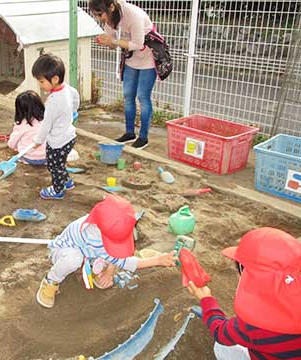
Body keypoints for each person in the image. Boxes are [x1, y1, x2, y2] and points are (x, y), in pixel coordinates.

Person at [36, 195, 176, 308]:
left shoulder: (103, 226)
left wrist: (109, 272)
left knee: (102, 258)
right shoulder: (92, 236)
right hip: (63, 253)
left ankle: (94, 268)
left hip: (90, 254)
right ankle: (50, 280)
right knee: (73, 260)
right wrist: (156, 261)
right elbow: (123, 261)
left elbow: (116, 255)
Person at [187, 227, 301, 359]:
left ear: (245, 272)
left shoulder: (251, 326)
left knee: (223, 348)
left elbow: (220, 333)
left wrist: (206, 299)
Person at [89, 0, 156, 149]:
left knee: (143, 97)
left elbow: (139, 44)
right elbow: (114, 44)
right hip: (131, 58)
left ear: (111, 7)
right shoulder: (110, 17)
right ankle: (129, 133)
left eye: (100, 14)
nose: (99, 18)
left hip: (148, 57)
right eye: (95, 15)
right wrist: (106, 42)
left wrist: (113, 40)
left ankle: (143, 137)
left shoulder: (133, 15)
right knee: (128, 95)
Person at [31, 54, 80, 200]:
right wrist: (73, 112)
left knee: (54, 166)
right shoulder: (68, 89)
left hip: (57, 142)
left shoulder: (53, 101)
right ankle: (67, 181)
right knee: (61, 163)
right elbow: (76, 98)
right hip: (70, 137)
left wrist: (38, 140)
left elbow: (46, 125)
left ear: (55, 79)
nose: (40, 85)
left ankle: (58, 190)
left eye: (41, 81)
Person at [7, 90, 47, 166]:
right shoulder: (47, 120)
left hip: (29, 158)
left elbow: (11, 144)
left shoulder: (22, 125)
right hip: (47, 157)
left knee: (19, 141)